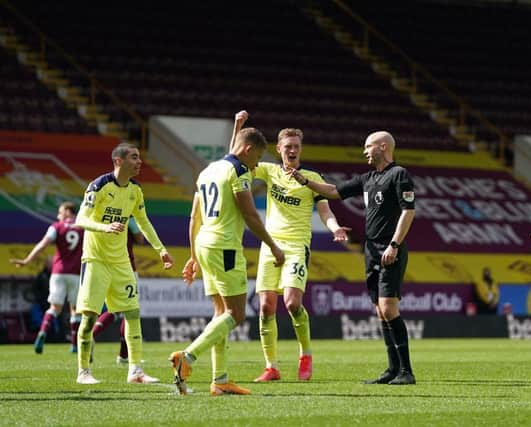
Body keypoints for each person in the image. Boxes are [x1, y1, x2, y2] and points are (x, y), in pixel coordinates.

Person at [288, 131, 416, 385]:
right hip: (371, 249)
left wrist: (394, 244)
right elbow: (334, 191)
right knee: (380, 310)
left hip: (390, 248)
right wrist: (305, 182)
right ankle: (392, 369)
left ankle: (406, 371)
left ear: (382, 147)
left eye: (369, 146)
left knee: (389, 307)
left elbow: (408, 211)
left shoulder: (399, 174)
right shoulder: (368, 178)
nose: (365, 151)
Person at [231, 111, 350, 383]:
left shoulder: (311, 177)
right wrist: (238, 127)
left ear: (300, 149)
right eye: (288, 146)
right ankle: (271, 367)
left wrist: (335, 229)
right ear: (279, 150)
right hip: (270, 245)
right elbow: (235, 161)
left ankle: (305, 354)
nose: (293, 150)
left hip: (296, 246)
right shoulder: (269, 171)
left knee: (292, 303)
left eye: (296, 146)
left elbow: (325, 211)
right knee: (265, 307)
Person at [171, 126, 284, 396]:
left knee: (220, 314)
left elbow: (194, 218)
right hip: (225, 248)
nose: (256, 165)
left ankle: (220, 380)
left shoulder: (208, 170)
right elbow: (250, 216)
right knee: (236, 314)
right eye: (257, 158)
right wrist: (274, 246)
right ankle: (187, 357)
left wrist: (192, 255)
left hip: (204, 244)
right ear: (247, 149)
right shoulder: (238, 172)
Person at [74, 142, 174, 385]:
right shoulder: (99, 186)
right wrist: (104, 227)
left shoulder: (135, 191)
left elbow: (144, 222)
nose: (139, 161)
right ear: (118, 161)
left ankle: (135, 371)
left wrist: (160, 250)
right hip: (96, 260)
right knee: (88, 319)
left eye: (139, 157)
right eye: (134, 157)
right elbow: (80, 219)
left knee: (133, 313)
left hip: (121, 263)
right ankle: (84, 372)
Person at [10, 201, 84, 354]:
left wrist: (26, 260)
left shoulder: (56, 227)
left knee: (54, 308)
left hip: (57, 273)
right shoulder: (82, 227)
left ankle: (42, 332)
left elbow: (43, 244)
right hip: (76, 274)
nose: (58, 215)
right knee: (75, 310)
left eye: (60, 211)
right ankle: (74, 344)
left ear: (69, 212)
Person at [91, 218, 145, 365]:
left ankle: (92, 336)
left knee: (112, 308)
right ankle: (123, 355)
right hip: (126, 268)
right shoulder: (128, 217)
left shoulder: (101, 215)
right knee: (129, 310)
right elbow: (140, 239)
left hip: (104, 266)